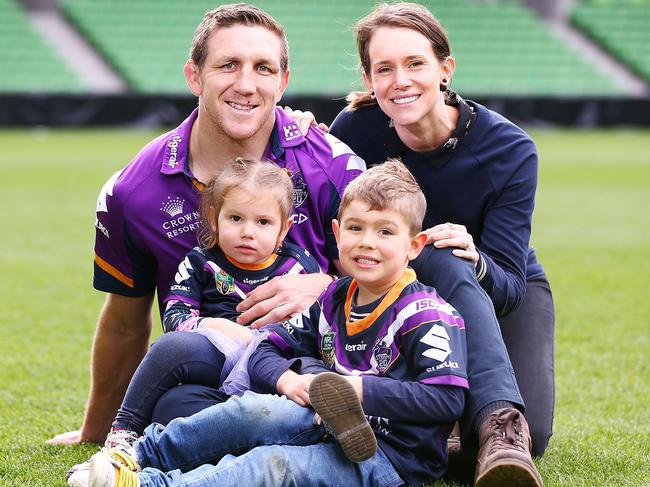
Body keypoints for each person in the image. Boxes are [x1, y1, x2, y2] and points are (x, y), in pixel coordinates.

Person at [48, 3, 363, 446]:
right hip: (207, 375)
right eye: (228, 65)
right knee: (172, 411)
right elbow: (125, 321)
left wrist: (328, 286)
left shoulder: (334, 166)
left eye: (263, 68)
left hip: (309, 365)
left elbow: (400, 279)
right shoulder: (133, 190)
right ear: (194, 76)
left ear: (283, 81)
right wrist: (93, 432)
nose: (246, 84)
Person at [85, 159, 472, 487]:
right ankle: (133, 455)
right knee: (254, 411)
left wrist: (357, 390)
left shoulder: (425, 314)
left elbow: (447, 399)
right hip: (323, 423)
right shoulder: (333, 297)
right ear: (337, 234)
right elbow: (268, 347)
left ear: (414, 246)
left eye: (385, 231)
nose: (367, 242)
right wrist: (289, 382)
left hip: (388, 458)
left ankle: (146, 483)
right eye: (355, 228)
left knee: (271, 464)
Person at [326, 0, 554, 473]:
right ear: (369, 80)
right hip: (396, 280)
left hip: (498, 279)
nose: (400, 80)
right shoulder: (354, 131)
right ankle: (494, 424)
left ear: (445, 69)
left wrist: (478, 258)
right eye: (384, 68)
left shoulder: (511, 150)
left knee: (540, 434)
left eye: (415, 63)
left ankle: (485, 424)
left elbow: (510, 287)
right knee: (432, 254)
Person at [66, 158, 321, 486]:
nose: (247, 231)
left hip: (274, 370)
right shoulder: (200, 262)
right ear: (215, 219)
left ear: (283, 228)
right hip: (218, 358)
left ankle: (292, 440)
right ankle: (124, 436)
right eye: (236, 218)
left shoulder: (299, 269)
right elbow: (175, 316)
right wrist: (215, 327)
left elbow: (319, 327)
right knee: (171, 395)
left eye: (263, 222)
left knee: (313, 374)